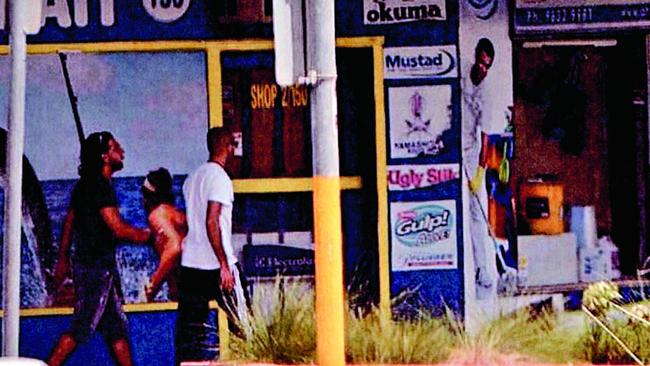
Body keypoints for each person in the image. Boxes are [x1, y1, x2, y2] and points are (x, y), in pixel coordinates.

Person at [48, 131, 151, 366]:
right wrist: (150, 237)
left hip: (96, 267)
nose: (122, 151)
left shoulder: (85, 186)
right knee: (81, 328)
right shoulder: (101, 188)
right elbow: (118, 229)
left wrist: (63, 260)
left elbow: (69, 225)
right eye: (116, 147)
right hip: (96, 270)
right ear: (105, 156)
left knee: (116, 330)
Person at [176, 127, 249, 364]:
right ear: (228, 147)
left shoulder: (192, 179)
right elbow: (212, 220)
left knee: (190, 332)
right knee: (243, 325)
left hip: (191, 265)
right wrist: (224, 265)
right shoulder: (220, 178)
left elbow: (193, 222)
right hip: (216, 266)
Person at [462, 37, 498, 300]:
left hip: (472, 150)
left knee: (477, 212)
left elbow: (486, 136)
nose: (482, 69)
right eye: (481, 62)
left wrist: (480, 171)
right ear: (475, 56)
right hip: (449, 145)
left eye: (487, 66)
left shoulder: (488, 92)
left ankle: (482, 269)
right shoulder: (460, 71)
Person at [141, 167, 187, 301]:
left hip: (184, 294)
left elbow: (174, 247)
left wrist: (152, 286)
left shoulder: (157, 215)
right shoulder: (177, 216)